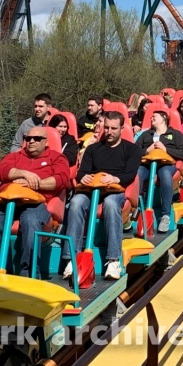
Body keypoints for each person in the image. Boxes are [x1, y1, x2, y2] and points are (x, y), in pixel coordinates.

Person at [60, 111, 142, 281]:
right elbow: (81, 173)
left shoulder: (131, 149)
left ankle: (113, 259)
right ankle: (71, 258)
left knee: (111, 204)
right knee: (75, 203)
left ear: (121, 129)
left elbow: (131, 174)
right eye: (107, 128)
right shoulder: (93, 149)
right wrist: (84, 177)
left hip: (115, 190)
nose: (110, 132)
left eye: (114, 128)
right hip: (92, 190)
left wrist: (115, 178)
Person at [0, 126, 70, 274]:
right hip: (7, 201)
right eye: (28, 139)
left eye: (37, 139)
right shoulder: (15, 156)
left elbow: (62, 180)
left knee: (30, 219)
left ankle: (30, 271)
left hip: (35, 203)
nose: (31, 141)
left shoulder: (56, 158)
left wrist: (35, 183)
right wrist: (24, 173)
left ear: (46, 142)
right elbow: (0, 171)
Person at [135, 109, 183, 234]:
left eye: (154, 116)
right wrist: (146, 150)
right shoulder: (146, 135)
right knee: (137, 174)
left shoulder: (175, 134)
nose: (151, 118)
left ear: (164, 118)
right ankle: (135, 210)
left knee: (165, 174)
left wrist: (166, 150)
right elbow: (133, 152)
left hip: (167, 164)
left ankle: (165, 215)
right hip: (147, 165)